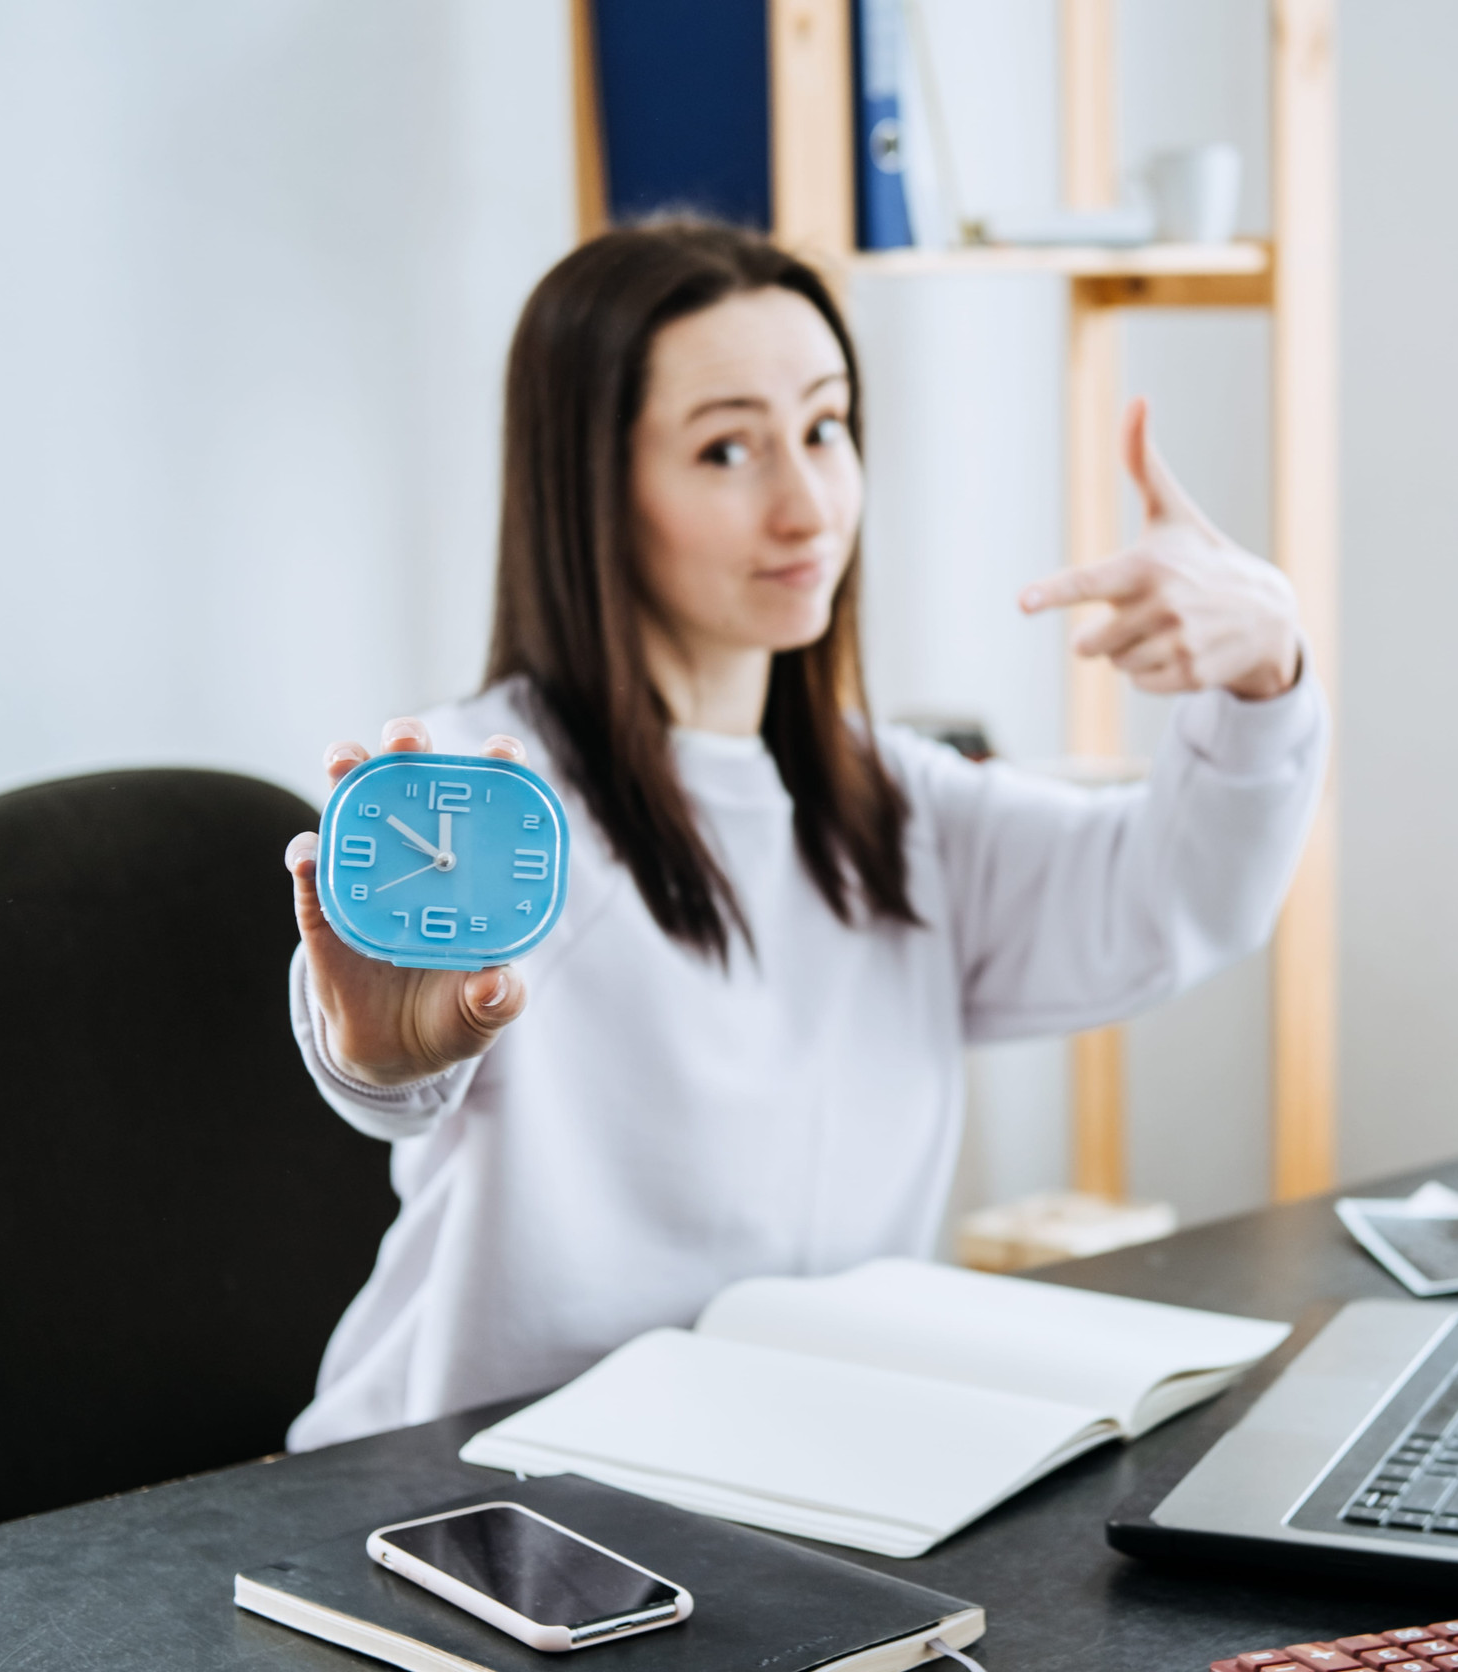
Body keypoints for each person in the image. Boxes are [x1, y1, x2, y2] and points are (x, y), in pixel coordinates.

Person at [281, 220, 1326, 1450]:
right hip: (472, 1490)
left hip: (790, 1468)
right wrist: (382, 1050)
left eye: (825, 429)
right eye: (726, 449)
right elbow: (385, 1043)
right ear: (591, 486)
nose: (808, 504)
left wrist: (1267, 671)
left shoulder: (898, 809)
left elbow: (1179, 898)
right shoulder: (483, 795)